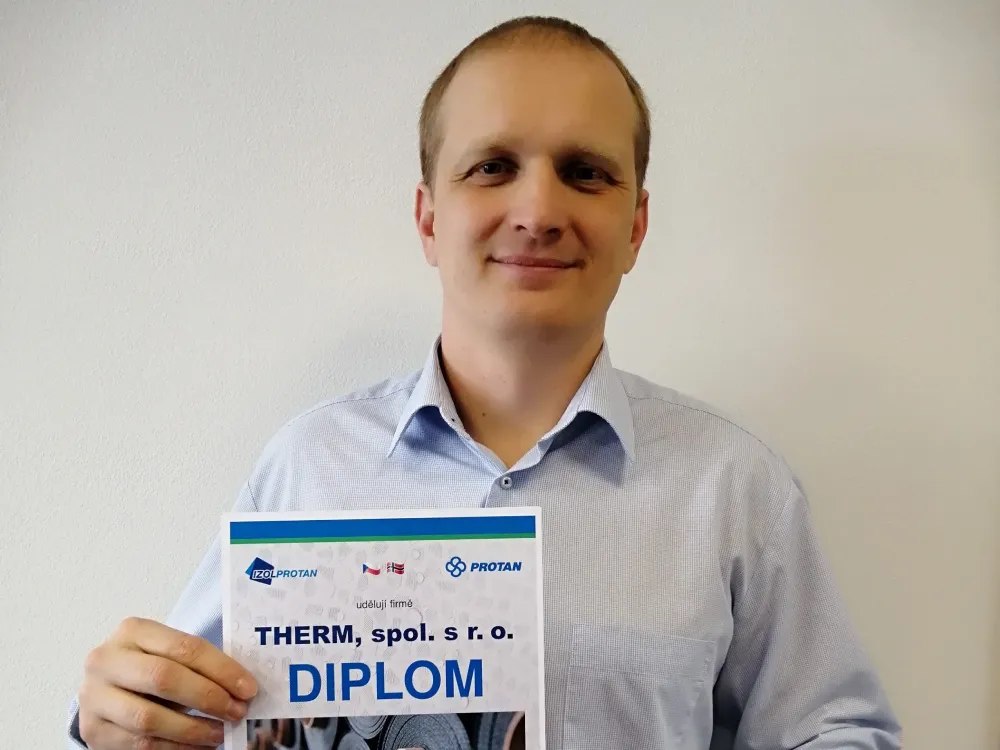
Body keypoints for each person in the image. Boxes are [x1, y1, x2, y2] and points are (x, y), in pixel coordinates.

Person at [68, 14, 904, 750]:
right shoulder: (308, 467)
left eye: (586, 172)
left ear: (636, 226)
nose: (538, 212)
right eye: (493, 166)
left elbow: (835, 732)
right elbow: (185, 720)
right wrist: (118, 721)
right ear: (429, 218)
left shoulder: (735, 486)